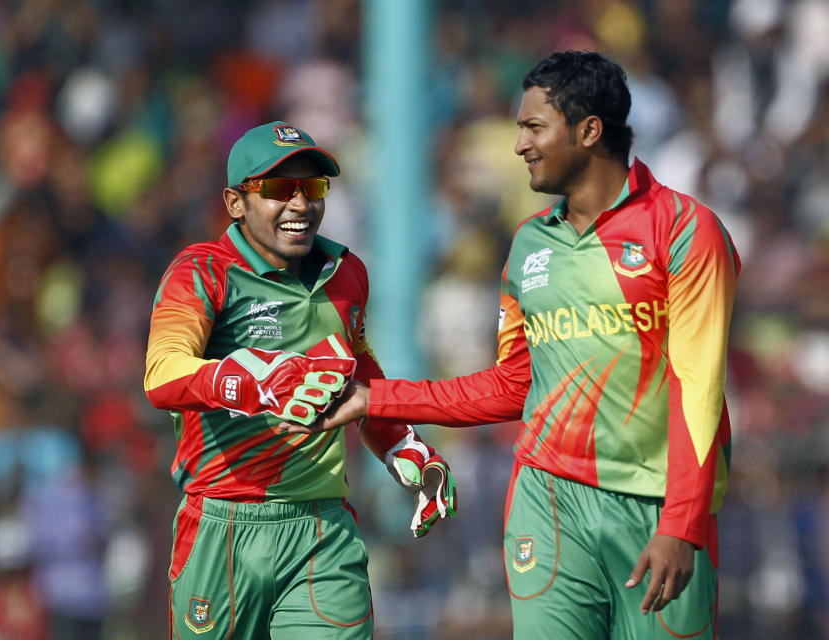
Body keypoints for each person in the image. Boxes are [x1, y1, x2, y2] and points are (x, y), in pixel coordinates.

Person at [286, 51, 741, 639]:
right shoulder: (529, 245)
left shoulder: (684, 229)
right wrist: (373, 398)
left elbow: (699, 389)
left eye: (532, 127)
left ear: (588, 131)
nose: (519, 145)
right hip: (548, 503)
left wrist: (681, 524)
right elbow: (511, 386)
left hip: (656, 506)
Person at [143, 121, 456, 639]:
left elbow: (359, 369)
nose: (300, 204)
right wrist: (255, 381)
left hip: (321, 529)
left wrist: (404, 444)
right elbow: (163, 374)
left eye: (312, 188)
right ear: (235, 202)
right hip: (223, 524)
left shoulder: (347, 272)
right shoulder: (202, 271)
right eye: (278, 189)